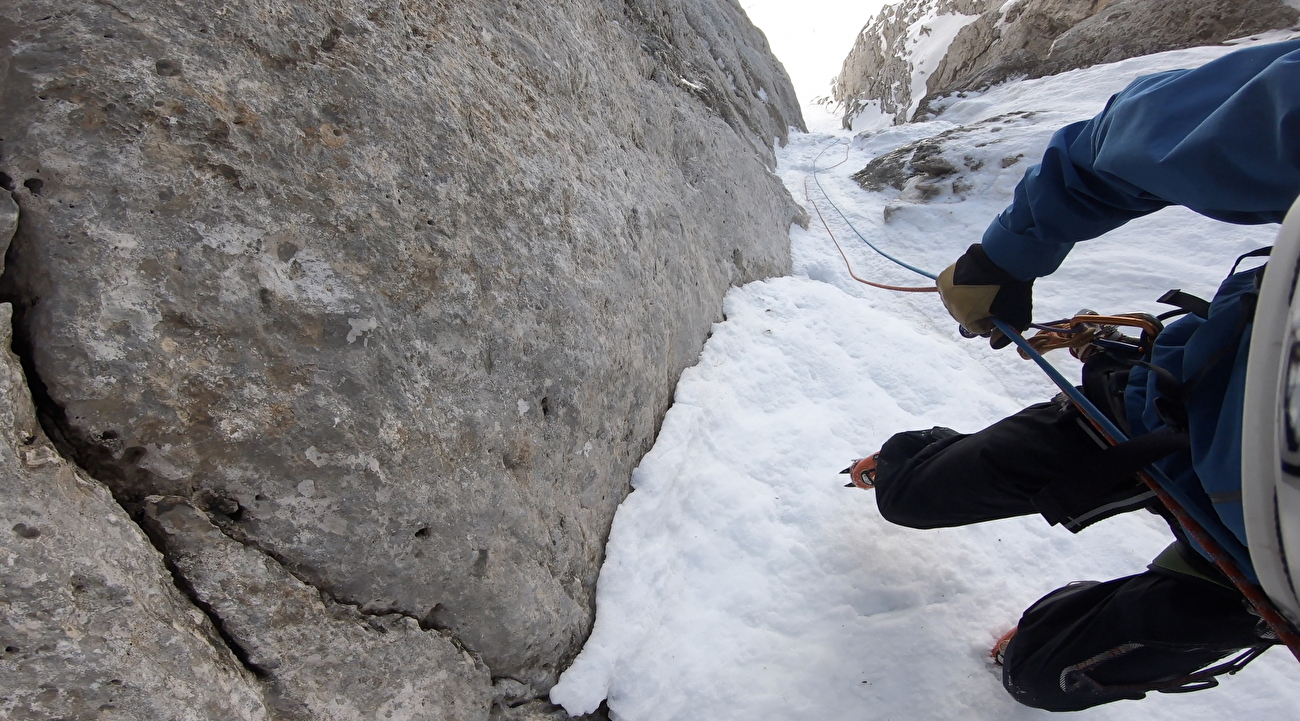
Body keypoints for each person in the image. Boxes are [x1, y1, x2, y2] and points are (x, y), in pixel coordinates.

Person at [847, 38, 1300, 711]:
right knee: (907, 494)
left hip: (1256, 576)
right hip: (1163, 413)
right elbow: (1136, 137)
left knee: (1039, 673)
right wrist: (1003, 257)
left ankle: (1043, 635)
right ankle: (908, 461)